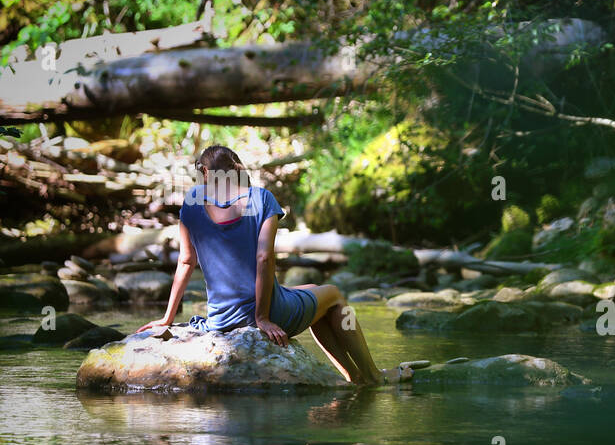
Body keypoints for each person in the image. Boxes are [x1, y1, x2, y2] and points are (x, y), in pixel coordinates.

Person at [138, 145, 426, 385]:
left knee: (313, 289)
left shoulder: (191, 205)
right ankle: (372, 375)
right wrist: (262, 317)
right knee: (336, 296)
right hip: (264, 312)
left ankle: (354, 376)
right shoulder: (260, 198)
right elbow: (264, 257)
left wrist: (167, 318)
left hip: (220, 319)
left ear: (205, 172)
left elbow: (186, 261)